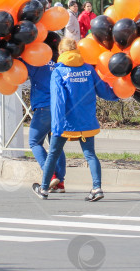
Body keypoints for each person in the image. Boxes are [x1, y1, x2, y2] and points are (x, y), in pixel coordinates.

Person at [32, 38, 119, 201]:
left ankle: (43, 189)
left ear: (61, 52)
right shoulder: (88, 69)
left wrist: (56, 126)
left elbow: (58, 101)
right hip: (86, 121)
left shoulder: (58, 71)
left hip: (65, 123)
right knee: (90, 155)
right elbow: (103, 90)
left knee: (53, 154)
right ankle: (97, 188)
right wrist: (119, 94)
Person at [25, 55, 66, 193]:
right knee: (56, 145)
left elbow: (21, 69)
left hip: (44, 107)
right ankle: (59, 184)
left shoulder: (36, 61)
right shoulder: (60, 61)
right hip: (60, 108)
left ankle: (51, 175)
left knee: (34, 142)